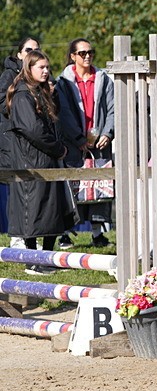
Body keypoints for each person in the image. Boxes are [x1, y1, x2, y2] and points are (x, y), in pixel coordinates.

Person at [5, 49, 79, 275]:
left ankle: (48, 258)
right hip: (31, 162)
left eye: (48, 67)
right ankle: (32, 260)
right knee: (34, 212)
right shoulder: (21, 95)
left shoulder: (42, 92)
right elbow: (33, 129)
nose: (46, 71)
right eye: (41, 67)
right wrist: (58, 148)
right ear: (29, 69)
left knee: (53, 209)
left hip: (48, 160)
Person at [57, 38, 115, 247]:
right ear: (73, 56)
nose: (87, 56)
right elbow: (63, 113)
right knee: (73, 187)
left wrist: (108, 133)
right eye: (82, 53)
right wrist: (78, 139)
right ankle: (67, 232)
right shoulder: (63, 82)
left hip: (100, 142)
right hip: (73, 144)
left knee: (101, 185)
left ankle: (98, 234)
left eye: (90, 52)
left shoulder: (103, 79)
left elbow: (113, 109)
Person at [0, 36, 42, 247]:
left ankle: (31, 235)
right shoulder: (10, 75)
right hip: (12, 140)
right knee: (17, 189)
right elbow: (2, 103)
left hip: (31, 144)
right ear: (19, 54)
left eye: (36, 49)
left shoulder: (38, 74)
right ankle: (17, 236)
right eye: (28, 49)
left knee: (31, 190)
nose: (31, 52)